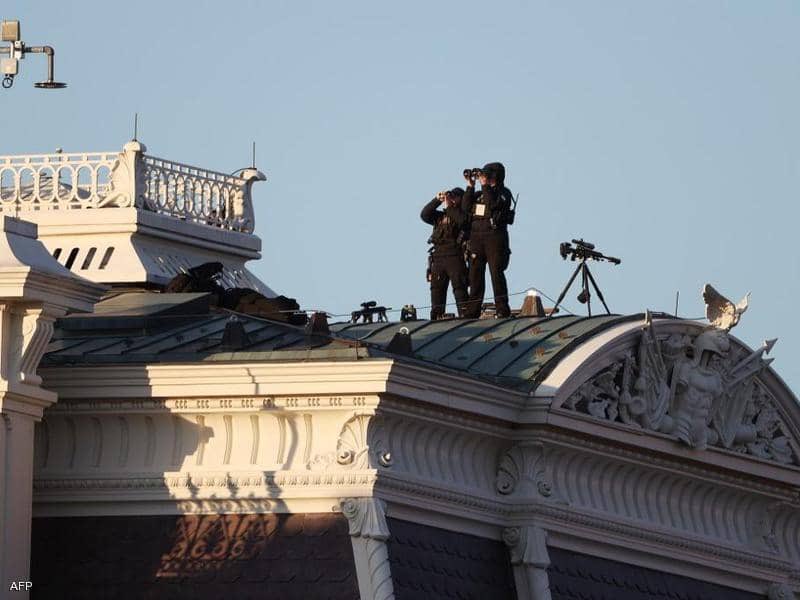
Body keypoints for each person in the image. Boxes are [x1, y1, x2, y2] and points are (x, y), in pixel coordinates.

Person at [462, 162, 514, 318]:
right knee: (475, 275)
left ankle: (502, 308)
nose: (483, 177)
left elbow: (492, 204)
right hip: (476, 238)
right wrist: (470, 187)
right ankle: (472, 311)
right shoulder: (479, 194)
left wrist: (485, 185)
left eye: (486, 174)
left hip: (494, 237)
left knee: (496, 273)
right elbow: (465, 208)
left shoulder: (503, 193)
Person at [421, 187, 469, 319]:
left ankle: (465, 316)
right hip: (438, 257)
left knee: (459, 288)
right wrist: (437, 200)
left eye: (454, 197)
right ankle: (436, 317)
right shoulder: (440, 217)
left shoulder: (462, 215)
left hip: (455, 256)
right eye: (450, 196)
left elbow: (463, 221)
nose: (451, 199)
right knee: (437, 290)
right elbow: (425, 215)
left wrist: (449, 207)